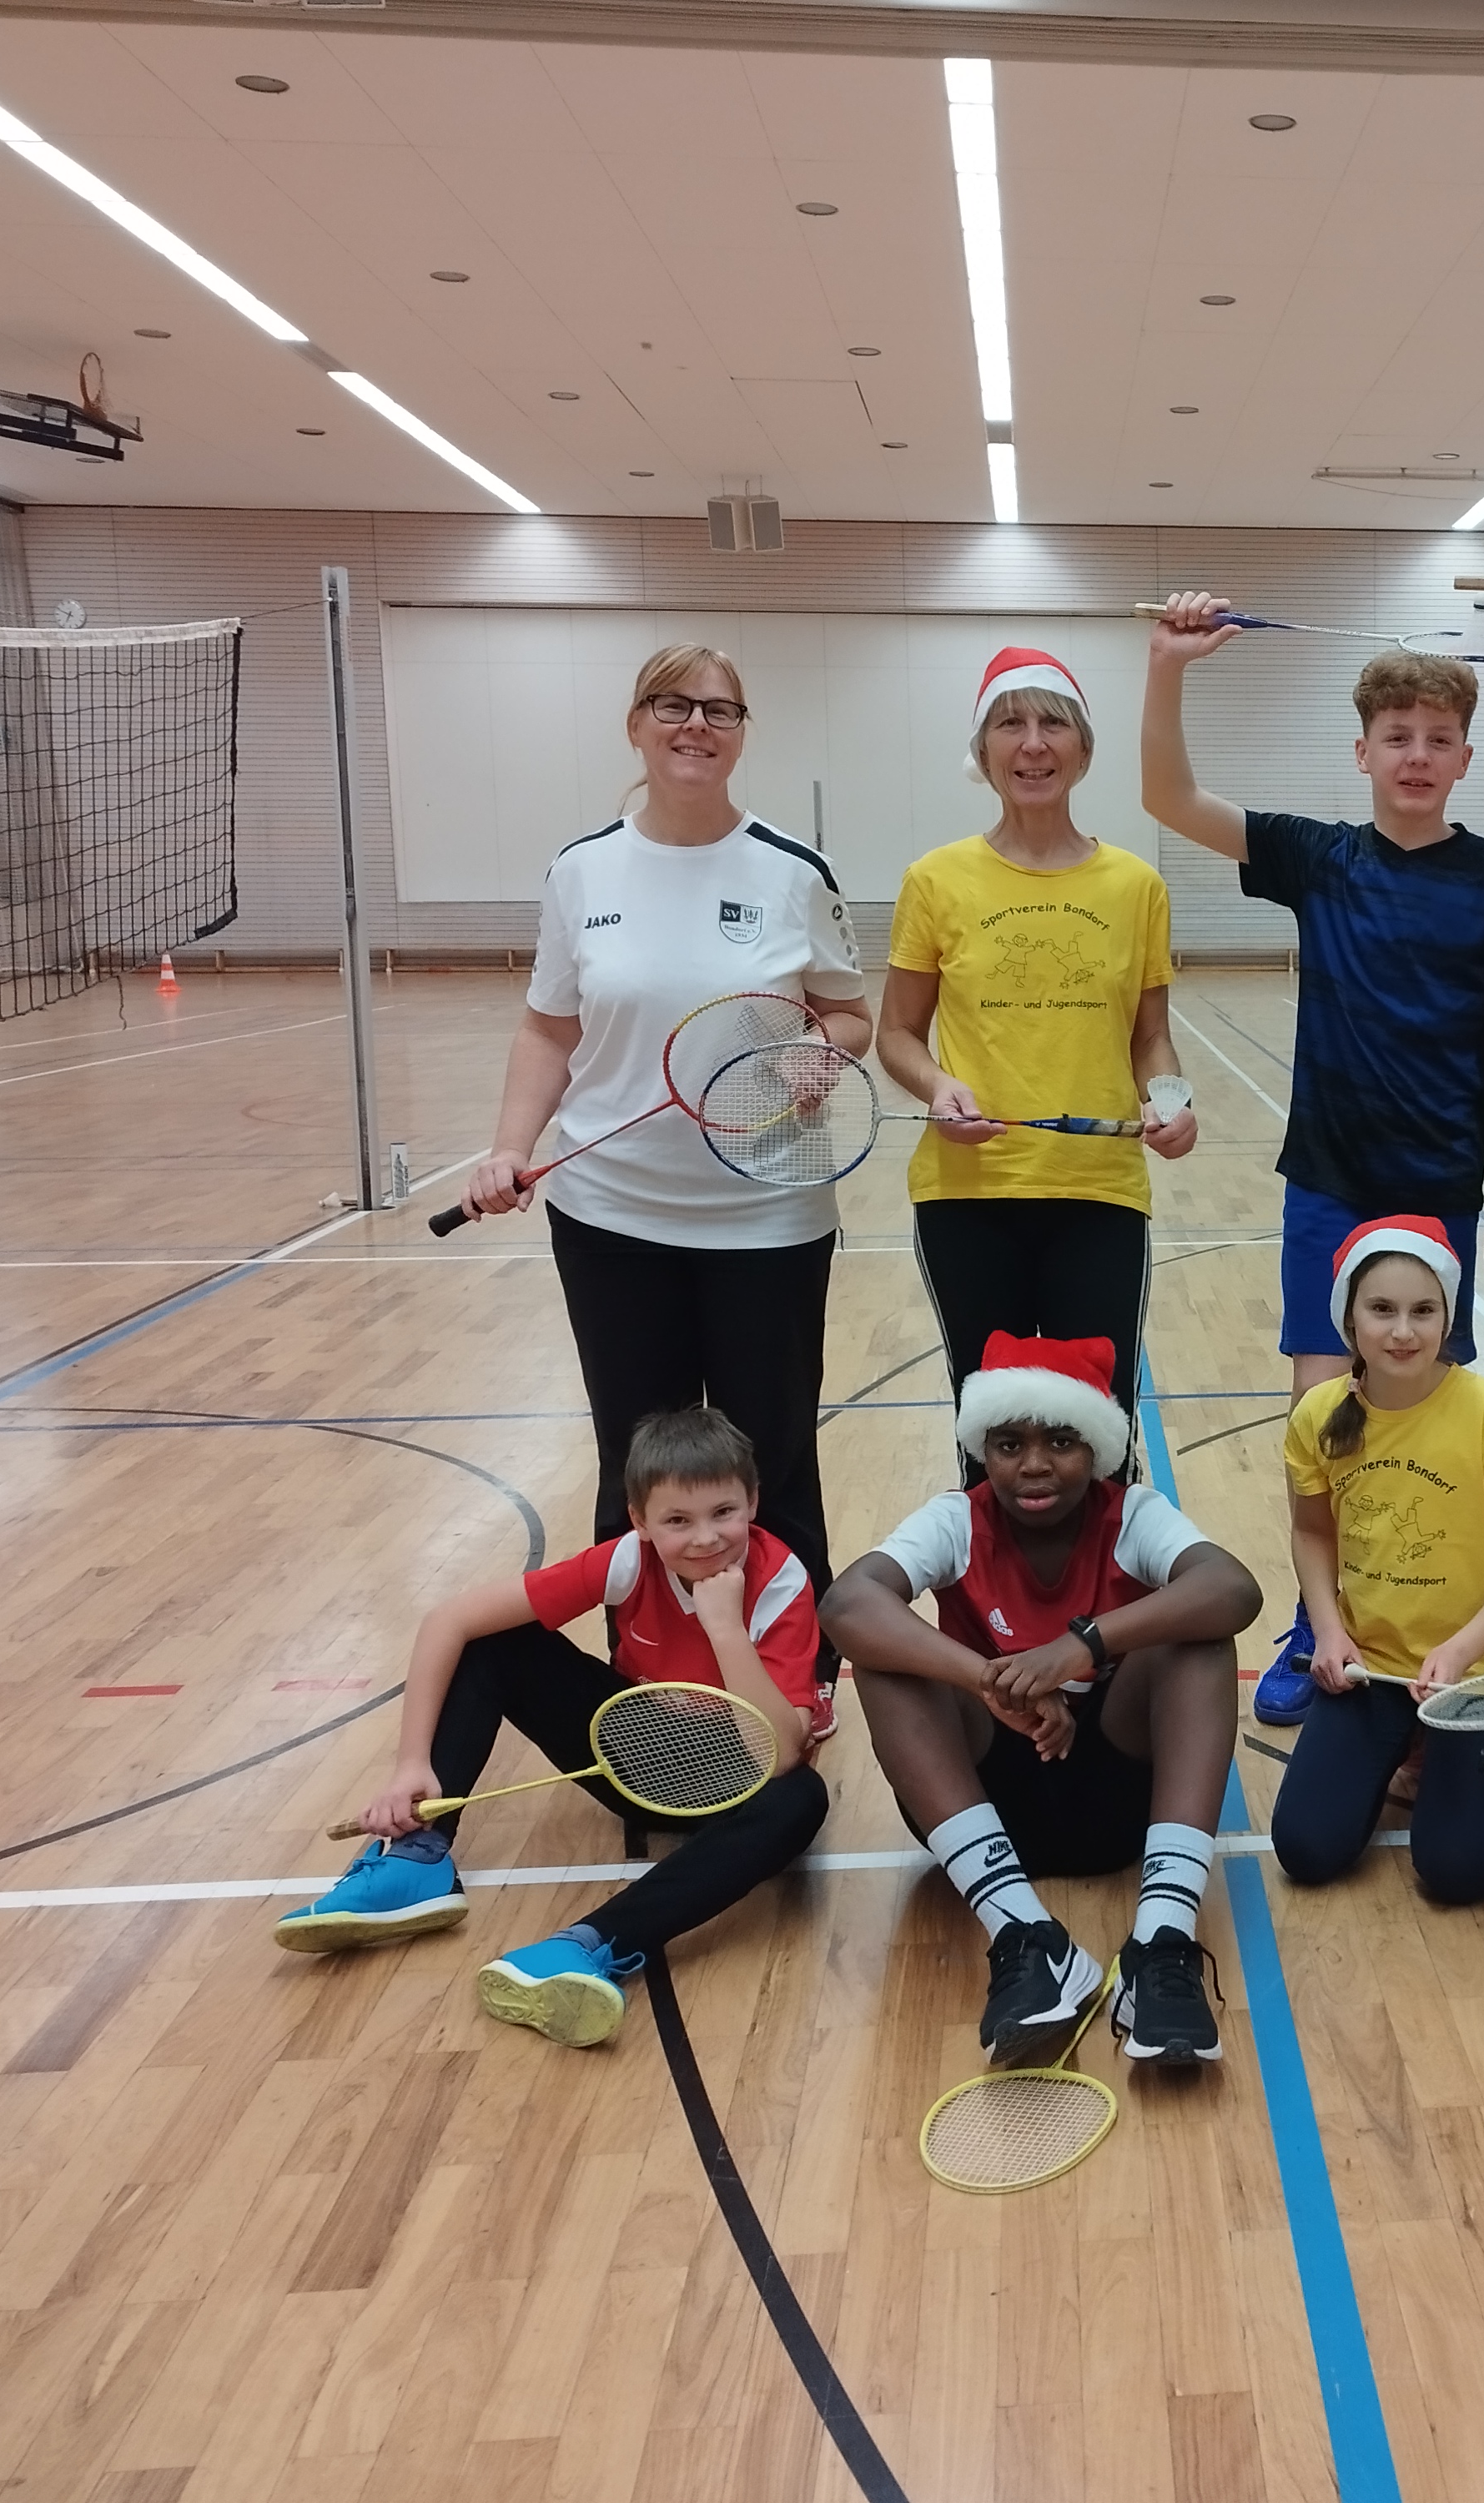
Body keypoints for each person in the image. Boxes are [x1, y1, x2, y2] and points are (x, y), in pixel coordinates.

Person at [1141, 598, 1484, 1720]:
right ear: (1362, 751)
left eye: (1438, 738)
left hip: (1438, 1190)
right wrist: (1169, 666)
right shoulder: (1317, 858)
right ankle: (1315, 1625)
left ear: (1462, 757)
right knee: (1326, 1422)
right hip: (1329, 1182)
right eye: (1397, 736)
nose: (1417, 755)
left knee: (1427, 1428)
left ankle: (1428, 1632)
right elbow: (1170, 799)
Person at [458, 644, 866, 1730]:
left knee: (772, 1458)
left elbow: (847, 1012)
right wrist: (507, 1146)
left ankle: (801, 1678)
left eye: (719, 710)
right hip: (611, 1217)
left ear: (742, 730)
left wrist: (821, 1051)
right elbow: (549, 1027)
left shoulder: (794, 869)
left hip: (767, 1218)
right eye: (673, 706)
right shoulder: (581, 871)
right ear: (636, 725)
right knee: (635, 1463)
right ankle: (645, 1686)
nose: (696, 725)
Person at [274, 1407, 828, 2046]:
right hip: (640, 1755)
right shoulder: (626, 1561)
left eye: (723, 1512)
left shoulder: (781, 1580)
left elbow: (779, 1755)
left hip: (741, 1777)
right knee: (494, 1643)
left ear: (753, 1502)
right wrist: (410, 1766)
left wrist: (725, 1626)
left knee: (800, 1801)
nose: (705, 1538)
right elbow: (448, 1621)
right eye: (678, 1520)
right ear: (641, 1521)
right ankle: (416, 1860)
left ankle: (588, 1946)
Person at [822, 1332, 1259, 2067]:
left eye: (1060, 1441)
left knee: (1200, 1637)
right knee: (885, 1659)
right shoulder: (956, 1519)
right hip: (989, 1804)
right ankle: (1026, 1934)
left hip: (1117, 1803)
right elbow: (845, 1606)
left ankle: (1161, 1940)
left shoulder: (1134, 1514)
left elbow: (1235, 1590)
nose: (1033, 1464)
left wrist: (1081, 1646)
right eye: (1008, 1444)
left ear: (1097, 1446)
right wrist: (992, 1683)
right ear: (982, 1450)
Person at [881, 649, 1198, 1429]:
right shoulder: (934, 879)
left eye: (1053, 723)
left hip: (1099, 1194)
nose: (1032, 744)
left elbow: (1151, 1038)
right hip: (968, 1197)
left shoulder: (1136, 886)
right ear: (983, 750)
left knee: (1099, 1427)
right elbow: (897, 1034)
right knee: (991, 1430)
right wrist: (937, 1087)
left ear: (1083, 749)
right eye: (1009, 725)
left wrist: (1170, 1100)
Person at [1265, 1221, 1484, 1903]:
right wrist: (1329, 1632)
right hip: (1373, 1667)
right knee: (1305, 1847)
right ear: (1349, 1318)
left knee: (1457, 1871)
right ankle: (1405, 1746)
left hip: (1478, 1671)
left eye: (1423, 1311)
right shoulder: (1318, 1414)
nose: (1403, 1331)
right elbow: (1312, 1533)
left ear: (1448, 1318)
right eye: (1382, 1309)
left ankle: (1444, 1755)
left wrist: (1459, 1651)